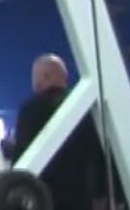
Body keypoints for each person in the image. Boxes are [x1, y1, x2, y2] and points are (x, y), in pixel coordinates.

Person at [9, 54, 112, 210]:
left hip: (45, 197)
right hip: (83, 197)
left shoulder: (31, 110)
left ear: (45, 77)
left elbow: (21, 155)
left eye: (35, 78)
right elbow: (101, 154)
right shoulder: (86, 108)